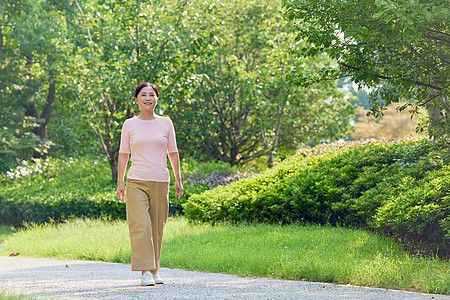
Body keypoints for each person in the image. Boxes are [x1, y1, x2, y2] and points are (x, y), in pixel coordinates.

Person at [116, 82, 183, 286]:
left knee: (157, 227)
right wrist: (120, 182)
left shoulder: (166, 123)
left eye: (151, 95)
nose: (147, 98)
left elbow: (173, 152)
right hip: (136, 181)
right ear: (136, 100)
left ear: (157, 99)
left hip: (161, 181)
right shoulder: (129, 124)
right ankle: (145, 271)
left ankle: (154, 270)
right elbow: (123, 154)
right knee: (141, 225)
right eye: (143, 95)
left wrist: (178, 178)